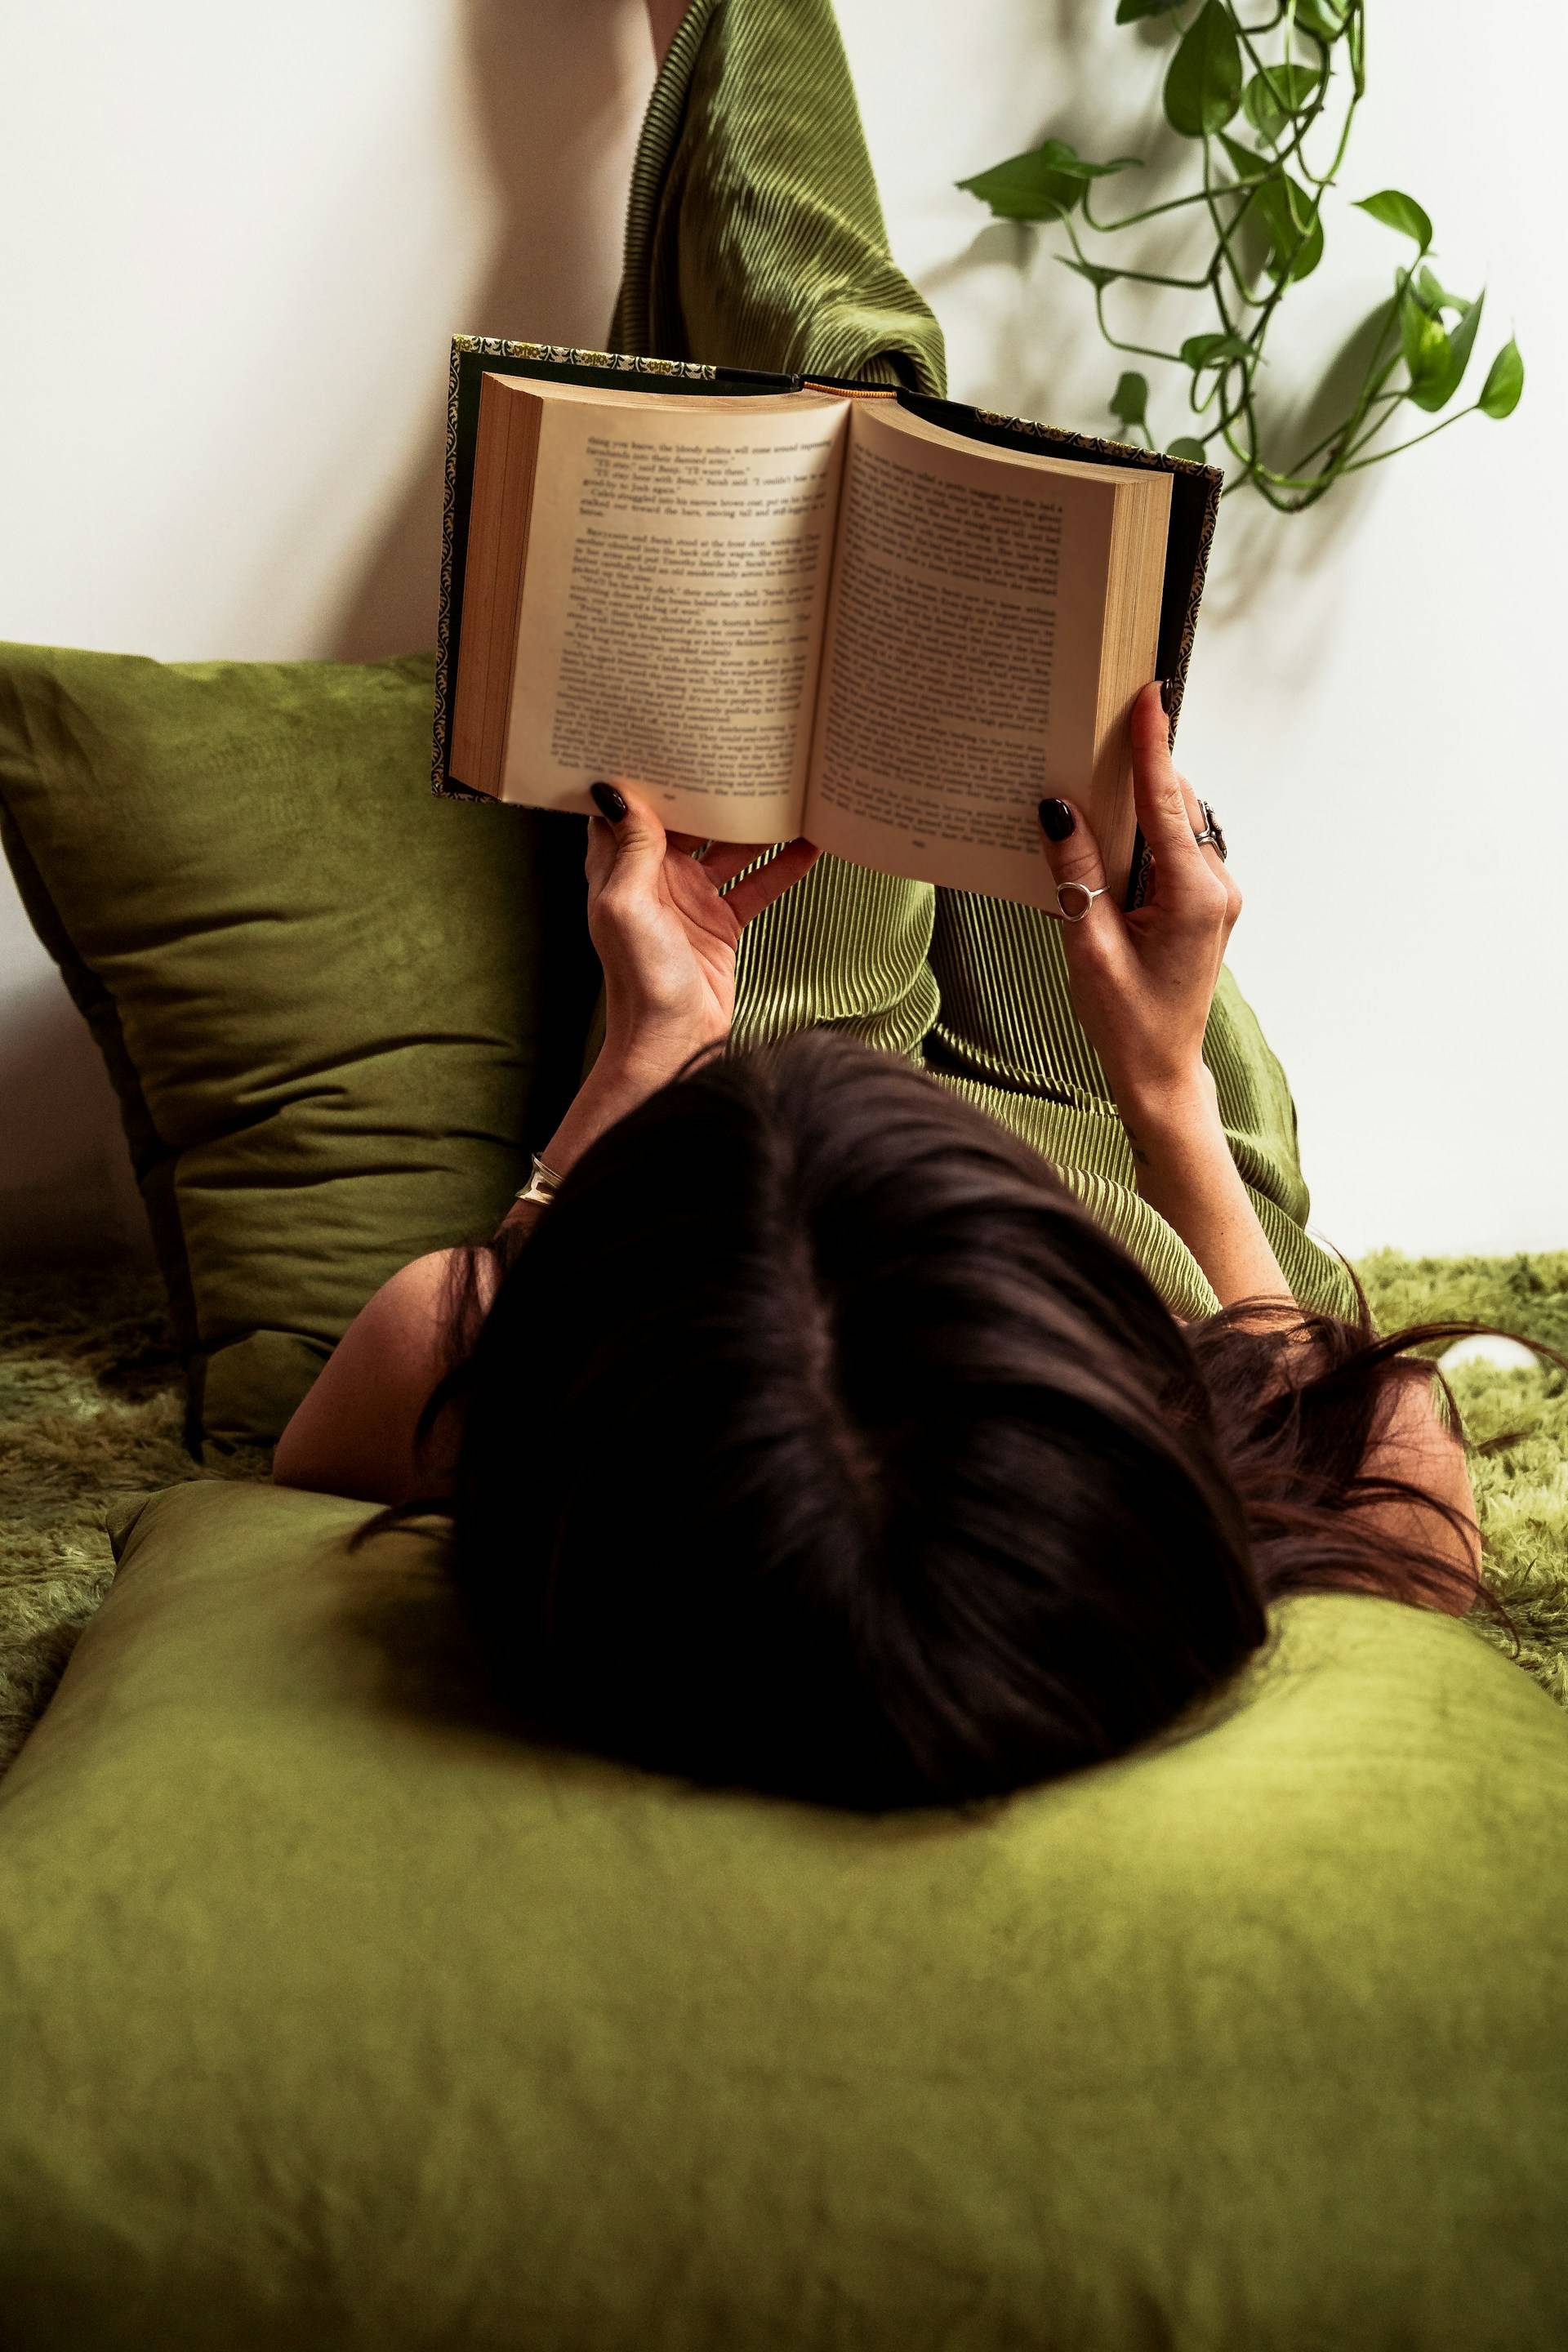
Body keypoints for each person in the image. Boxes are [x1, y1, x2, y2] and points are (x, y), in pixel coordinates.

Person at [274, 683, 1494, 1811]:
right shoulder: (1365, 1464)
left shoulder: (489, 1396)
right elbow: (1296, 1381)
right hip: (1155, 1195)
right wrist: (1166, 1082)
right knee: (1015, 707)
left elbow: (503, 1329)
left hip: (779, 1198)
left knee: (807, 721)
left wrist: (653, 1048)